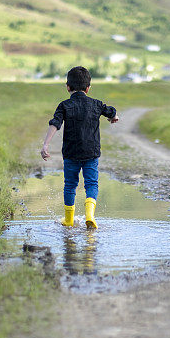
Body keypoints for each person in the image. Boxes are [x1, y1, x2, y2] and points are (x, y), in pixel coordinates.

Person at [40, 66, 118, 228]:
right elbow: (111, 112)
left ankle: (69, 220)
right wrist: (114, 117)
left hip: (71, 153)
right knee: (91, 183)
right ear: (88, 88)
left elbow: (55, 123)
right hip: (91, 152)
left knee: (70, 184)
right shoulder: (96, 104)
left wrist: (46, 144)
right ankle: (90, 215)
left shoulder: (64, 105)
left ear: (68, 87)